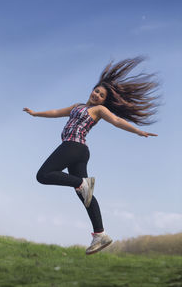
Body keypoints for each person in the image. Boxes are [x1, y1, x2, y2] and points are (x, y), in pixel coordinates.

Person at [23, 56, 160, 255]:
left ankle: (80, 182)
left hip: (74, 146)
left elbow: (117, 121)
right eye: (96, 91)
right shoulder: (77, 106)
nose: (97, 95)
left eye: (101, 95)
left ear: (104, 101)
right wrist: (36, 114)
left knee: (43, 175)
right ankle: (100, 234)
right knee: (85, 195)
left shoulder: (99, 110)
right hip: (79, 152)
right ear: (92, 90)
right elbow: (55, 111)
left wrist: (138, 131)